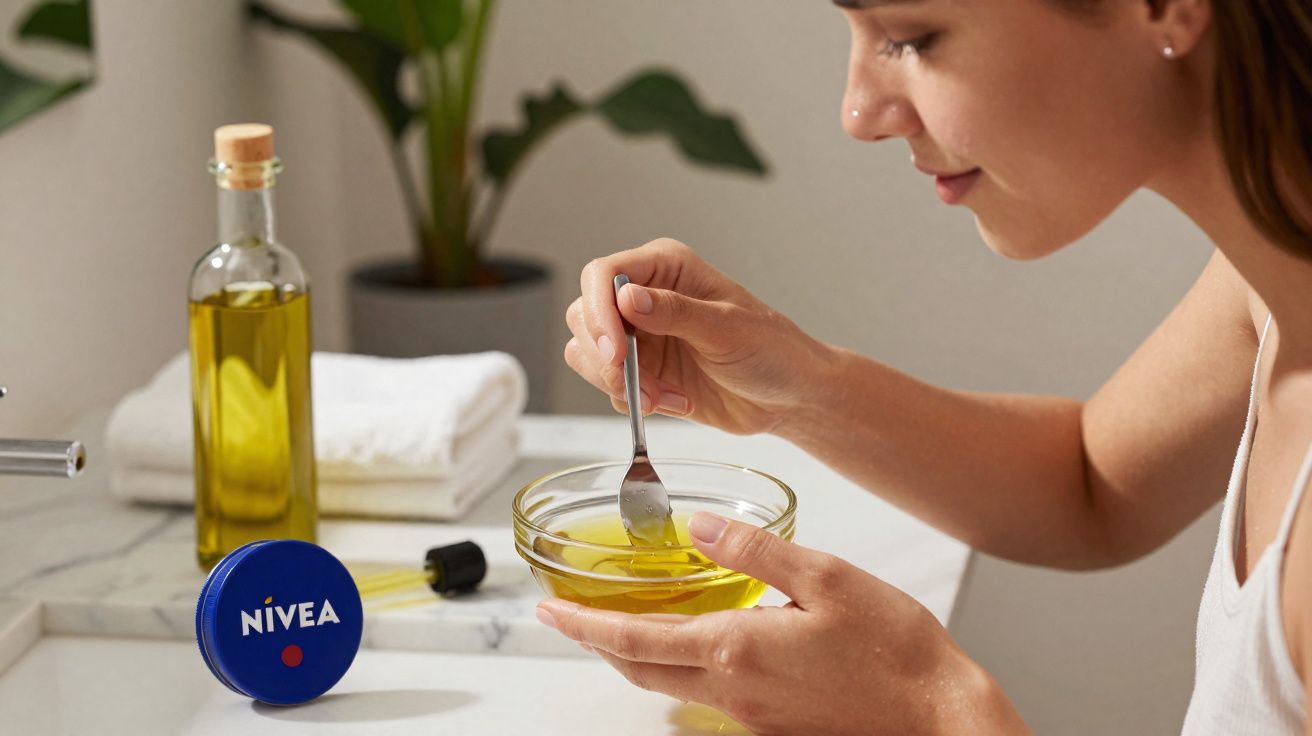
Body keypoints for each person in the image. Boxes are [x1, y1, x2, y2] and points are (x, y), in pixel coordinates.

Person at [534, 0, 1312, 732]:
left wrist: (934, 706)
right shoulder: (1272, 275)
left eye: (912, 37)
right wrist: (793, 387)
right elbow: (1089, 483)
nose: (859, 114)